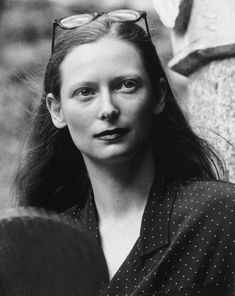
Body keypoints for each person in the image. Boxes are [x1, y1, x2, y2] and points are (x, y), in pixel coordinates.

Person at [14, 9, 235, 295]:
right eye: (85, 92)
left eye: (126, 85)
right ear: (57, 110)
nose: (107, 109)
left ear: (158, 95)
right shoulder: (45, 247)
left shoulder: (221, 215)